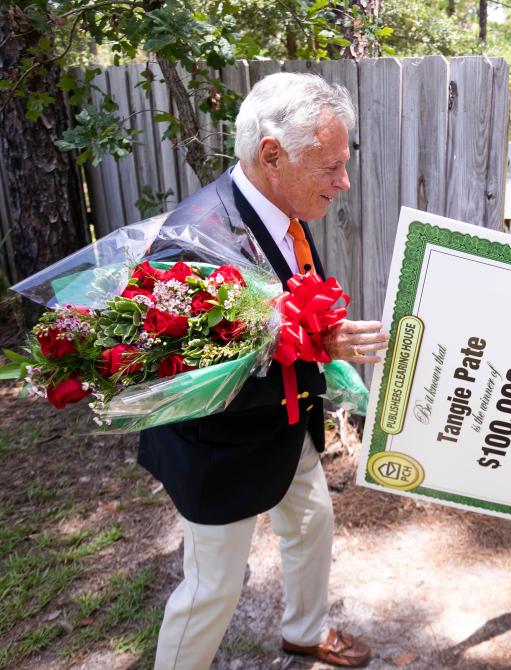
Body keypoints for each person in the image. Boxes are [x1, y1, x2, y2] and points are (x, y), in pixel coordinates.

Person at [138, 72, 388, 669]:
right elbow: (190, 382)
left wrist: (320, 347)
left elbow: (294, 313)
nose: (344, 181)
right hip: (220, 450)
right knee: (212, 589)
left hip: (286, 426)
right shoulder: (195, 241)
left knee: (311, 523)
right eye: (329, 166)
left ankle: (305, 630)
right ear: (271, 155)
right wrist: (315, 347)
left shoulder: (285, 208)